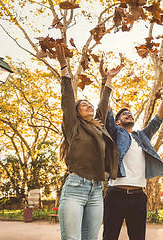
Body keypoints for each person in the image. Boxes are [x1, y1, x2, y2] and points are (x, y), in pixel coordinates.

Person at [56, 45, 121, 240]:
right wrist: (64, 67)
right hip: (75, 187)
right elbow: (68, 98)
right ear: (76, 113)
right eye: (84, 105)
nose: (89, 106)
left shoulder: (98, 126)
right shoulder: (73, 126)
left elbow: (103, 102)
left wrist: (108, 79)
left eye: (89, 104)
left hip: (96, 190)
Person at [101, 69, 163, 240]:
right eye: (124, 114)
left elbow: (159, 118)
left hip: (138, 197)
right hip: (116, 194)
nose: (128, 114)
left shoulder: (142, 136)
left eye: (130, 113)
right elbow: (106, 109)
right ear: (118, 122)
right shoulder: (114, 133)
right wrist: (107, 80)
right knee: (109, 236)